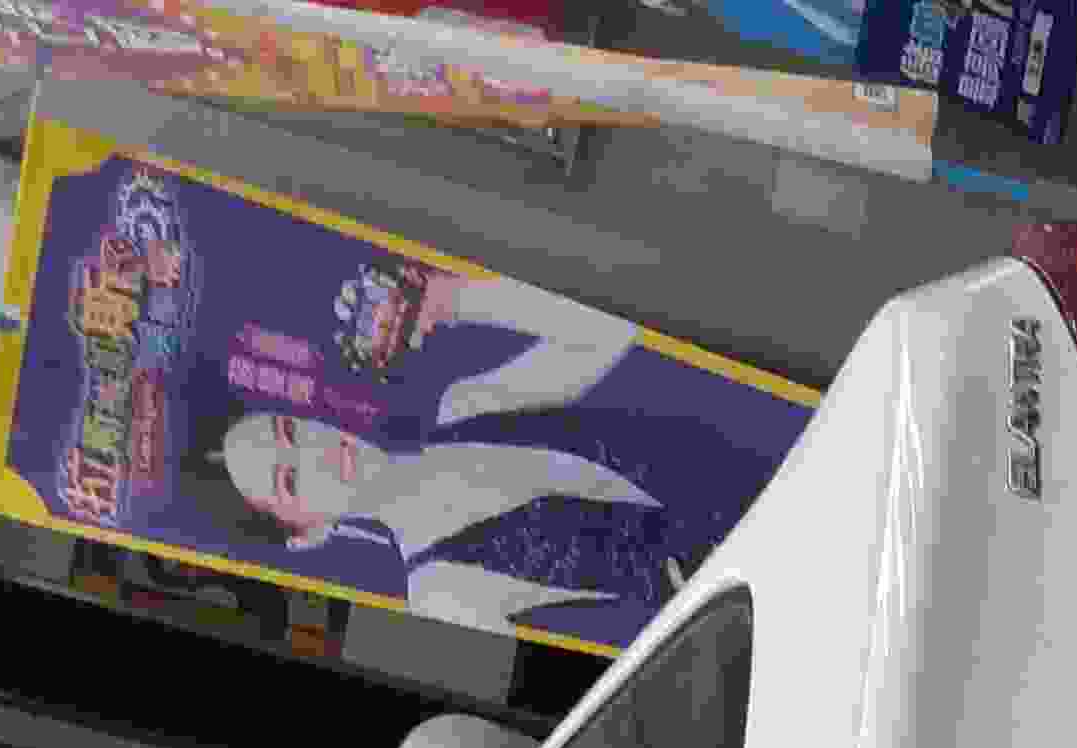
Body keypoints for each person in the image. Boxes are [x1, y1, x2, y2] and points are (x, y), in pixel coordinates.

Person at [185, 267, 784, 635]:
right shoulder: (440, 593)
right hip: (760, 585)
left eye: (292, 431)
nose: (315, 454)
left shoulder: (468, 406)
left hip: (770, 465)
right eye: (290, 481)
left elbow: (605, 331)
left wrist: (460, 301)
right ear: (307, 532)